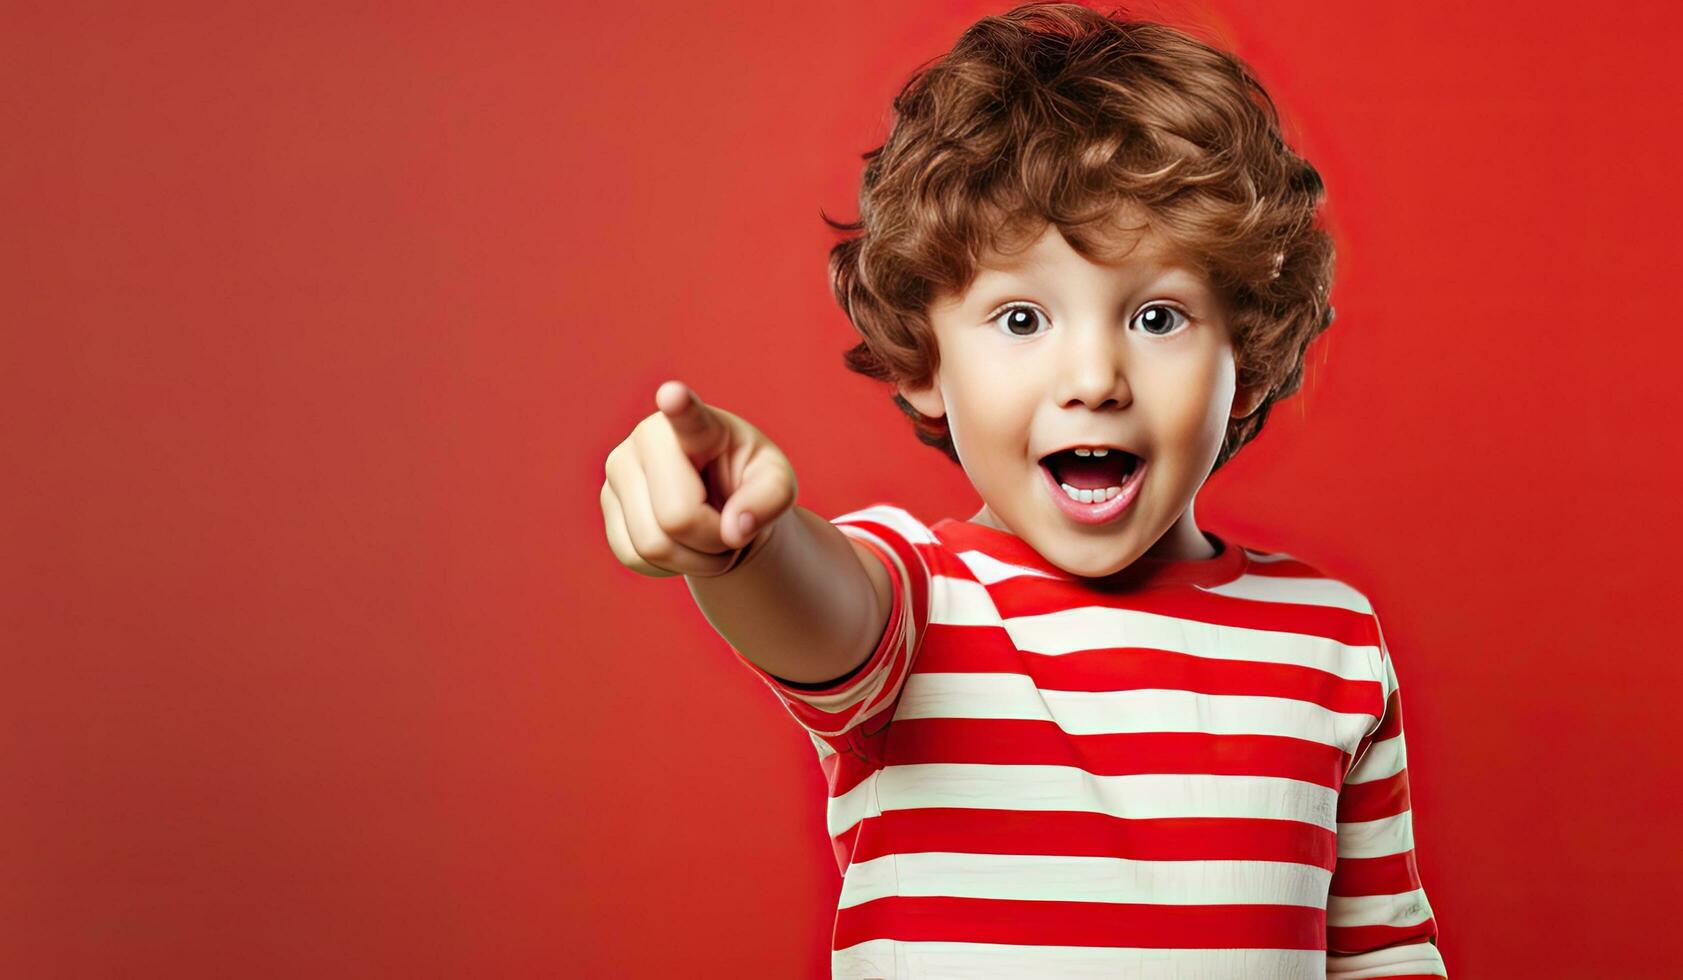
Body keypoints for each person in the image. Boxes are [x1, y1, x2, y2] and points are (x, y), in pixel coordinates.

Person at [596, 3, 1446, 977]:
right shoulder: (918, 606)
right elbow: (812, 605)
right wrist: (744, 541)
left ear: (1244, 359)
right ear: (921, 356)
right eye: (1019, 315)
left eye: (1158, 315)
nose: (1092, 376)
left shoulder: (1327, 637)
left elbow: (1380, 950)